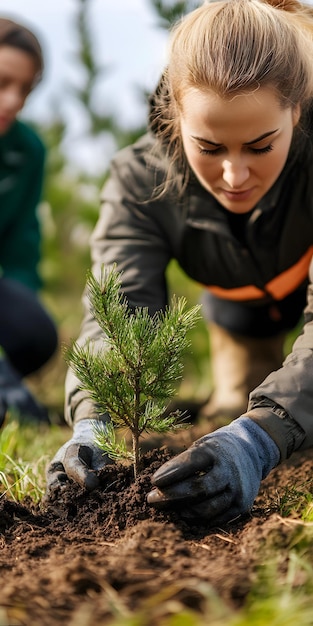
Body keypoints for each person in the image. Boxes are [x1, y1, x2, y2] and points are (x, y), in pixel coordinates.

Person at [47, 0, 313, 524]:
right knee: (233, 408)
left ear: (297, 113)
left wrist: (260, 439)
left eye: (260, 146)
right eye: (210, 148)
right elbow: (117, 311)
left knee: (282, 427)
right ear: (176, 116)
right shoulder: (138, 181)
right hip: (239, 306)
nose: (235, 176)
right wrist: (93, 422)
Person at [0, 18, 58, 426]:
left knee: (36, 334)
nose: (13, 101)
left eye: (25, 88)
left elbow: (21, 244)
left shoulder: (27, 151)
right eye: (3, 83)